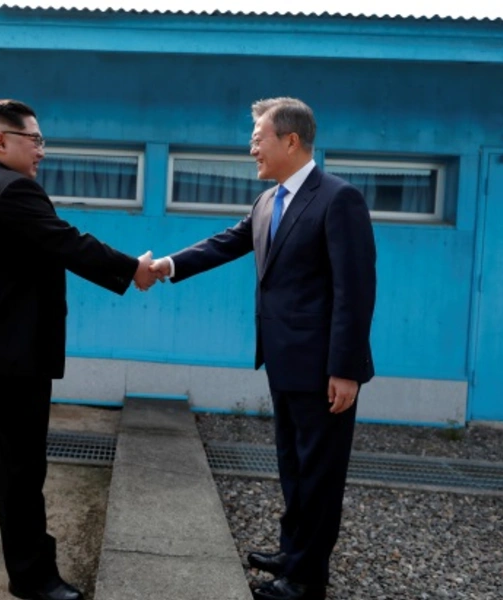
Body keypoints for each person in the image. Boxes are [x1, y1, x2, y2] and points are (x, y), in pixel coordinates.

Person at [0, 99, 159, 600]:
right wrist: (132, 269)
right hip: (6, 356)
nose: (41, 153)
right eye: (34, 141)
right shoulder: (13, 191)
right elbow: (68, 243)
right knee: (18, 464)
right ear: (1, 141)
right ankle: (34, 577)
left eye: (42, 142)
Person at [150, 97, 376, 600]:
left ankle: (307, 579)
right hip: (284, 361)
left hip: (323, 368)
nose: (251, 146)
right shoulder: (269, 200)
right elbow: (227, 243)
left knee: (319, 473)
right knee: (293, 465)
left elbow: (355, 291)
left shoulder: (338, 199)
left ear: (290, 141)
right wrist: (166, 265)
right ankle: (293, 552)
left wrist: (346, 369)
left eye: (259, 137)